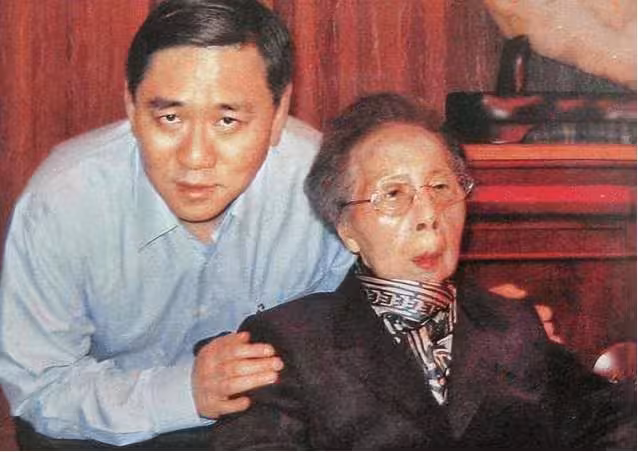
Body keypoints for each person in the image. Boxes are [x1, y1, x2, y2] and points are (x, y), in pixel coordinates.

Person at [0, 0, 354, 448]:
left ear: (279, 111)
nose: (195, 158)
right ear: (131, 106)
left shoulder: (328, 187)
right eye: (170, 118)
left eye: (227, 120)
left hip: (267, 421)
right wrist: (184, 392)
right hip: (103, 426)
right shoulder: (62, 202)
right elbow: (41, 388)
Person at [211, 93, 636, 450]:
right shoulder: (286, 342)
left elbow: (615, 420)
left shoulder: (514, 325)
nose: (429, 215)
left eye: (441, 187)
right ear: (346, 228)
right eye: (394, 194)